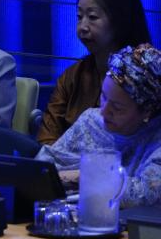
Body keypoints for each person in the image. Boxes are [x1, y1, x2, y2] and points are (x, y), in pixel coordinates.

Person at [37, 44, 161, 208]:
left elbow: (146, 194)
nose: (104, 111)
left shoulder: (156, 140)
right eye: (104, 97)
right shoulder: (91, 121)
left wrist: (84, 175)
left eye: (117, 108)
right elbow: (42, 166)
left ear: (146, 111)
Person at [38, 0, 151, 145]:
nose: (82, 27)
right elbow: (47, 140)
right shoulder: (72, 77)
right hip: (66, 161)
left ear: (120, 22)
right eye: (79, 17)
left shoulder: (148, 80)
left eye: (92, 17)